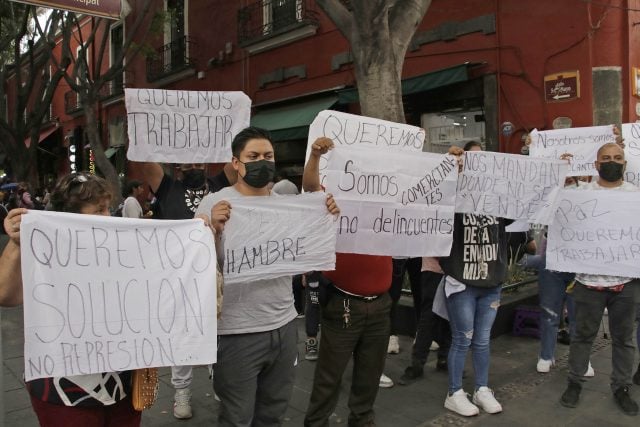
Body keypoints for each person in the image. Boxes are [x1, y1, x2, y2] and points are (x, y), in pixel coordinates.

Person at [196, 127, 339, 426]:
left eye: (268, 156)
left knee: (273, 413)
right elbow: (197, 267)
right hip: (236, 332)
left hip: (284, 325)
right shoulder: (214, 204)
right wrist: (215, 233)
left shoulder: (284, 204)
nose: (262, 161)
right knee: (237, 416)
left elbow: (312, 201)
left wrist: (323, 212)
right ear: (236, 163)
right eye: (253, 156)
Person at [1, 173, 141, 426]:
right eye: (99, 210)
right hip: (63, 389)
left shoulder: (119, 249)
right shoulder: (42, 250)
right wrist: (16, 243)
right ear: (69, 216)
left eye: (108, 209)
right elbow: (6, 295)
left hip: (121, 384)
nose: (108, 218)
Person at [133, 158, 236, 419]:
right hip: (180, 277)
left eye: (198, 164)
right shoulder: (167, 187)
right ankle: (181, 392)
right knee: (182, 335)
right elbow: (145, 162)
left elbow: (237, 159)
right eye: (187, 165)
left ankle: (220, 386)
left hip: (216, 274)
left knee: (218, 334)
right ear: (178, 168)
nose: (194, 168)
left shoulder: (218, 184)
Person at [304, 137, 392, 427]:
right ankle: (317, 423)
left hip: (380, 305)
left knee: (369, 378)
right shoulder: (335, 197)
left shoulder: (390, 200)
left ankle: (363, 421)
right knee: (329, 378)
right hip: (343, 304)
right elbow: (310, 188)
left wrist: (452, 164)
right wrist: (316, 155)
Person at [559, 142, 639, 416]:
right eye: (606, 158)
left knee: (624, 338)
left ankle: (621, 387)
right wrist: (559, 176)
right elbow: (557, 219)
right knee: (582, 336)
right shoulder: (579, 194)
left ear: (625, 164)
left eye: (617, 158)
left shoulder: (636, 195)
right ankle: (575, 383)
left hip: (626, 283)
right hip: (588, 283)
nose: (612, 162)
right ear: (596, 164)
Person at [439, 143, 509, 417]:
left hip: (492, 283)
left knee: (482, 340)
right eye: (472, 161)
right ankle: (454, 392)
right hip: (462, 283)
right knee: (462, 339)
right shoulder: (452, 196)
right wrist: (448, 170)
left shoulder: (500, 198)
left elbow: (528, 201)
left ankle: (481, 388)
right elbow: (434, 204)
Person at [398, 257, 451, 385]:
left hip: (453, 268)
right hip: (435, 267)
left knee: (449, 315)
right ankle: (418, 364)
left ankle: (444, 358)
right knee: (429, 316)